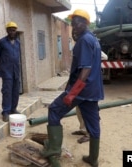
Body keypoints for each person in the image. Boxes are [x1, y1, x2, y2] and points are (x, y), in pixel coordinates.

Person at [40, 9, 104, 167]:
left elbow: (86, 69)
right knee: (93, 124)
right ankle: (93, 158)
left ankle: (54, 154)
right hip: (93, 91)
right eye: (73, 24)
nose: (74, 27)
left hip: (81, 90)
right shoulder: (93, 39)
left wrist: (72, 93)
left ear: (85, 23)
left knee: (54, 110)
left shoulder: (84, 40)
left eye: (76, 23)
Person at [0, 21, 21, 122]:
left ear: (16, 31)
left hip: (16, 70)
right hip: (6, 71)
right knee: (7, 91)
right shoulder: (1, 42)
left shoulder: (18, 42)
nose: (12, 32)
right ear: (7, 31)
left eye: (14, 30)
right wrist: (3, 65)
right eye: (10, 30)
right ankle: (5, 111)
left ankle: (13, 109)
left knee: (15, 90)